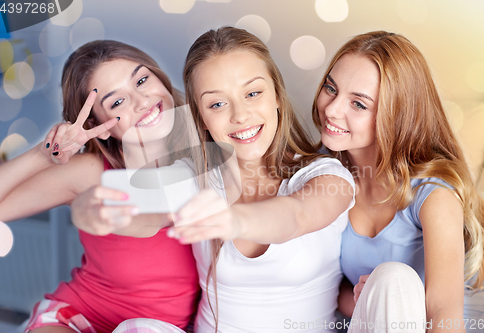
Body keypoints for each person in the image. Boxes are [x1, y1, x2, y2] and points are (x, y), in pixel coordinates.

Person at [101, 26, 355, 333]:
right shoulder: (194, 178)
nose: (240, 115)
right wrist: (99, 209)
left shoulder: (327, 176)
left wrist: (233, 219)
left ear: (276, 94)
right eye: (217, 104)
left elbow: (298, 215)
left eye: (252, 93)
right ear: (202, 119)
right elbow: (135, 209)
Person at [0, 40, 200, 333]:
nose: (142, 101)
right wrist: (43, 154)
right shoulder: (92, 173)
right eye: (117, 102)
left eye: (142, 80)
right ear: (97, 124)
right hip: (80, 316)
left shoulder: (209, 150)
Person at [312, 31, 484, 332]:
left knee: (394, 277)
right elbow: (332, 287)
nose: (331, 109)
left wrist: (394, 298)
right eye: (331, 88)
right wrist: (373, 301)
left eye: (358, 104)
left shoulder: (433, 194)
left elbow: (443, 313)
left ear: (397, 116)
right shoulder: (324, 173)